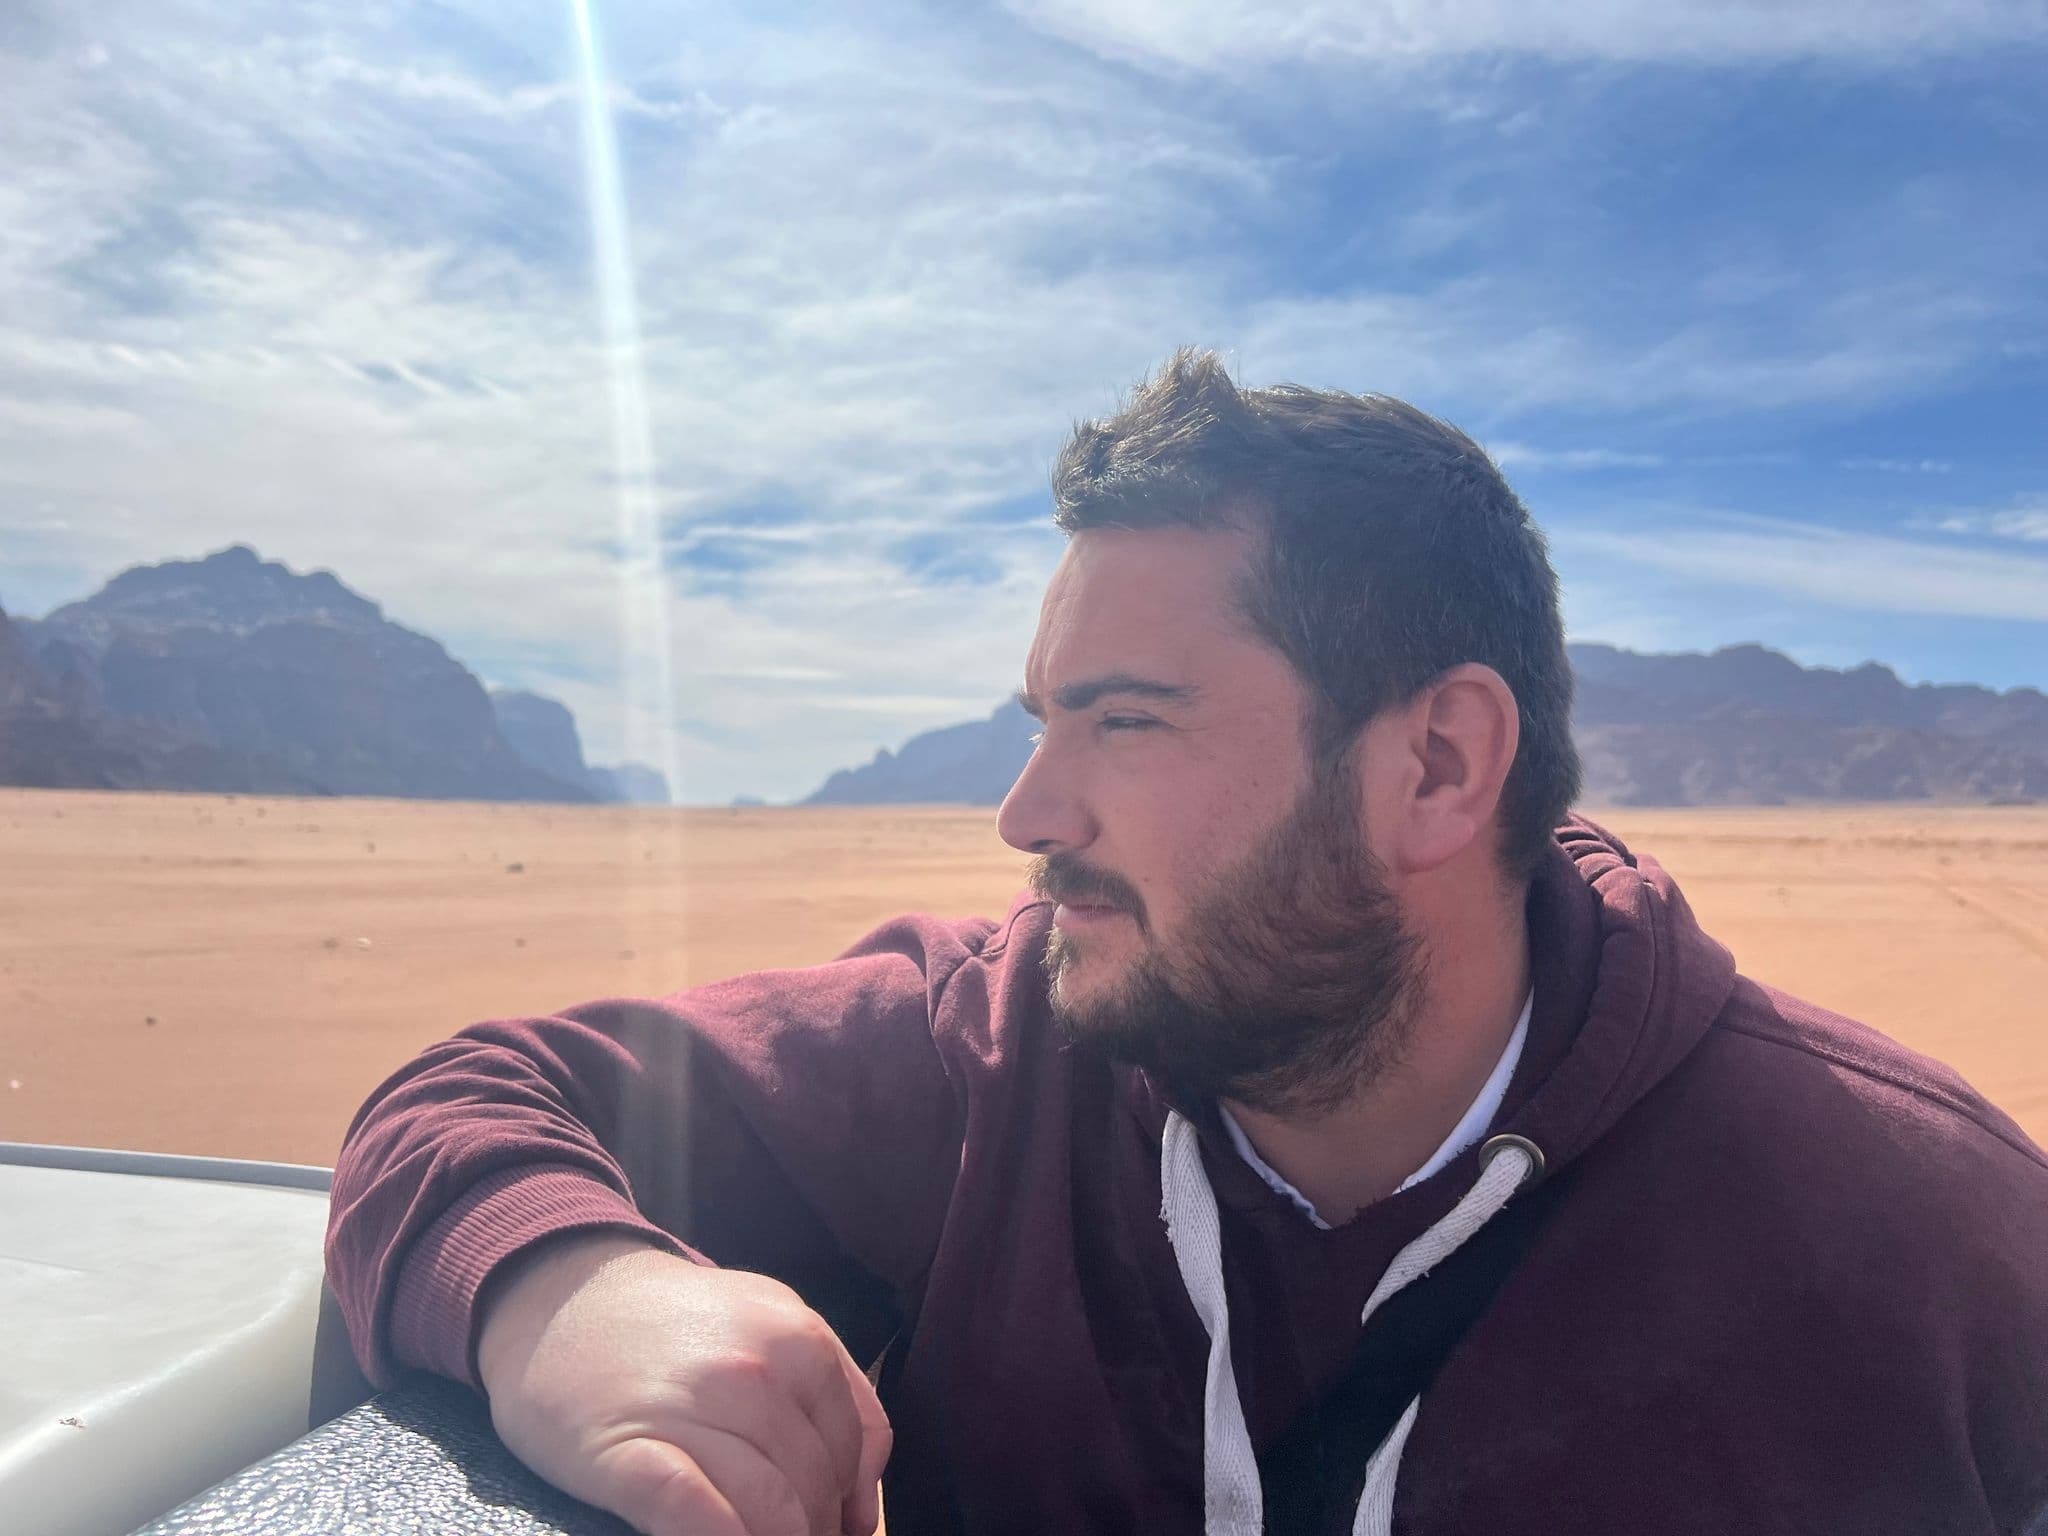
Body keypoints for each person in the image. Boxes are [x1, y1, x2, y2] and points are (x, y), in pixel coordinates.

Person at [326, 350, 2048, 1536]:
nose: (1026, 814)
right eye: (1035, 723)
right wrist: (575, 1297)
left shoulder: (1922, 1240)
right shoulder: (997, 1052)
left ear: (1436, 764)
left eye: (1125, 723)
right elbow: (470, 1098)